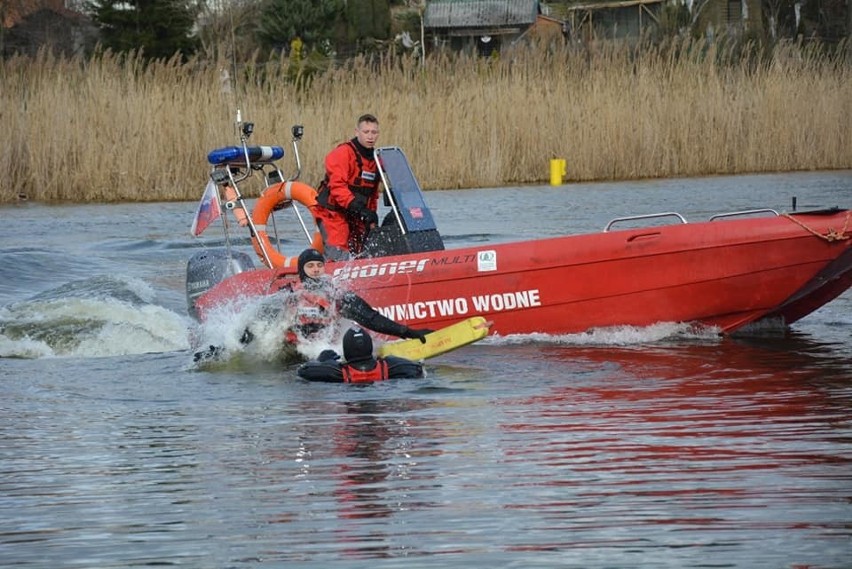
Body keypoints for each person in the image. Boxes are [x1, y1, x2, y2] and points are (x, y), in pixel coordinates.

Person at [276, 247, 430, 346]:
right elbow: (264, 317)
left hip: (323, 353)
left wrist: (407, 332)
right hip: (295, 350)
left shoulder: (335, 295)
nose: (316, 270)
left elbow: (370, 318)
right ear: (301, 270)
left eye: (319, 265)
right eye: (310, 266)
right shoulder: (290, 293)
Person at [314, 114, 382, 260]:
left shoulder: (377, 159)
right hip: (334, 213)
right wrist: (359, 208)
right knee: (338, 254)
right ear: (357, 132)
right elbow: (337, 187)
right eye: (366, 132)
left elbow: (373, 194)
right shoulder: (342, 154)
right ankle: (329, 278)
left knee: (365, 253)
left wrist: (370, 216)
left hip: (357, 215)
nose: (370, 136)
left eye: (374, 132)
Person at [297, 326, 425, 383]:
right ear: (369, 348)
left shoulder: (335, 371)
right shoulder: (392, 366)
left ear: (346, 351)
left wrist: (323, 359)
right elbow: (419, 369)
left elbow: (303, 371)